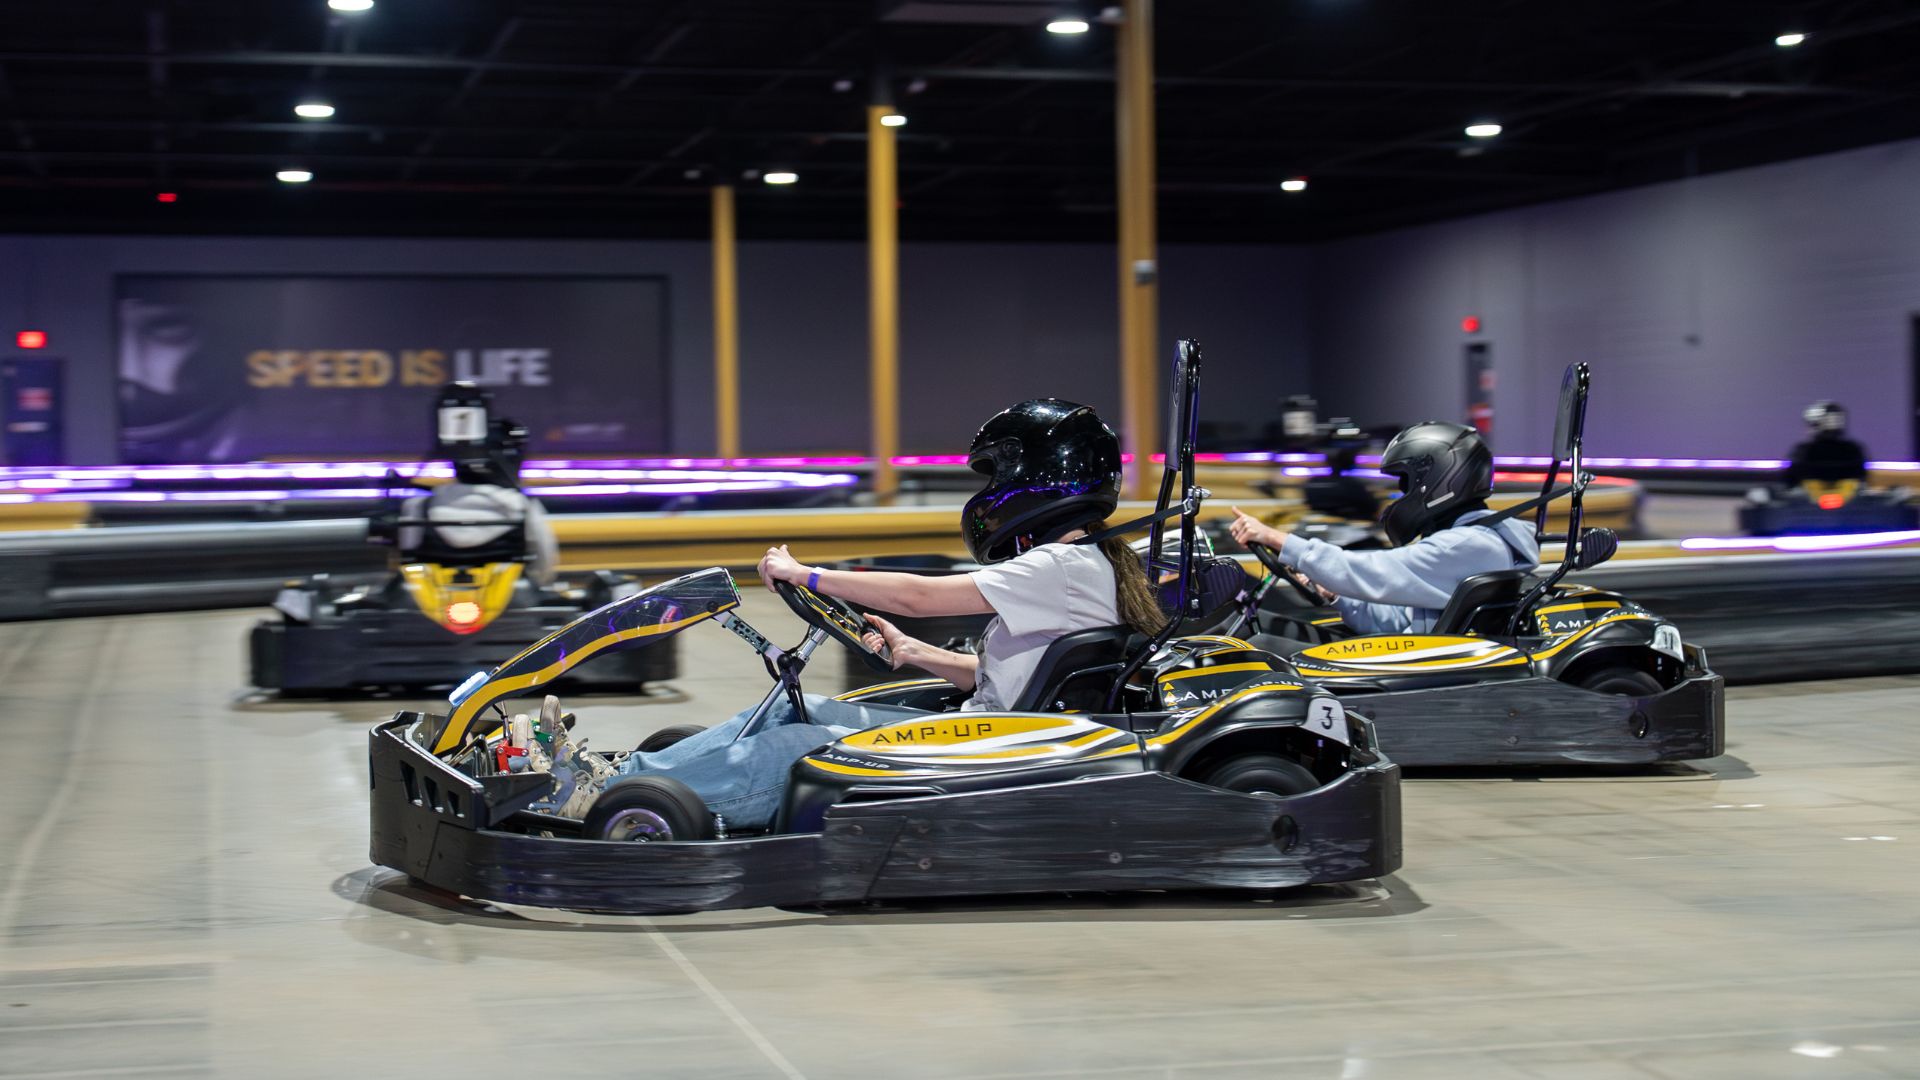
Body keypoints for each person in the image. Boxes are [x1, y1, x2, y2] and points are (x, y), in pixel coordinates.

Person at [573, 399, 1168, 831]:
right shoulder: (1085, 563)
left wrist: (807, 574)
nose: (991, 489)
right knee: (789, 707)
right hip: (988, 727)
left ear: (1038, 477)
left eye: (999, 474)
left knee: (796, 748)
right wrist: (913, 652)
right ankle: (628, 776)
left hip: (988, 749)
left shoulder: (1060, 567)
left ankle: (610, 795)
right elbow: (1018, 676)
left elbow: (921, 595)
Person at [1227, 420, 1538, 636]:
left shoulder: (1469, 545)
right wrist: (1336, 594)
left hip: (1429, 674)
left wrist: (1274, 537)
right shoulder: (1467, 541)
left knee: (1267, 645)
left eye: (1406, 484)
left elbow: (1374, 569)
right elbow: (1397, 620)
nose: (1402, 495)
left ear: (1441, 480)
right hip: (1420, 654)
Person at [396, 381, 558, 585]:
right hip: (511, 601)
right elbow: (545, 561)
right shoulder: (524, 507)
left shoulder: (417, 508)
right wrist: (540, 585)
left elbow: (408, 560)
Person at [1783, 401, 1868, 488]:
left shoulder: (1852, 449)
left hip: (1847, 497)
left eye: (1834, 420)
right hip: (1808, 497)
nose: (1832, 423)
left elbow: (1860, 478)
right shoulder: (1804, 450)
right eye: (1829, 420)